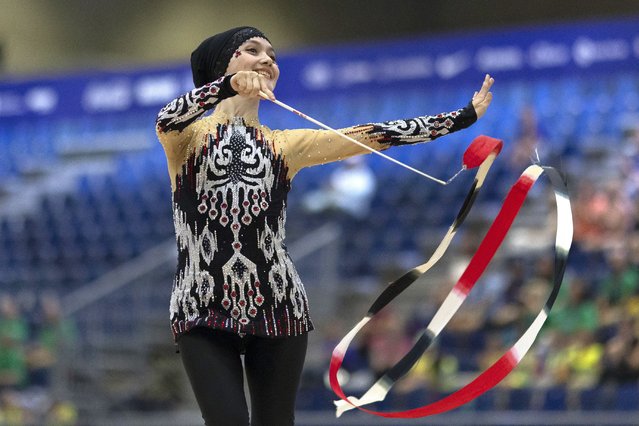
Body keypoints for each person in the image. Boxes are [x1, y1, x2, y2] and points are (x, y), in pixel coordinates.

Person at [155, 26, 494, 426]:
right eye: (251, 50)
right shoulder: (186, 138)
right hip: (202, 304)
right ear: (221, 65)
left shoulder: (284, 145)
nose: (267, 60)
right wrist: (225, 87)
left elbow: (372, 135)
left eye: (273, 55)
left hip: (278, 302)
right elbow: (168, 115)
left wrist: (460, 118)